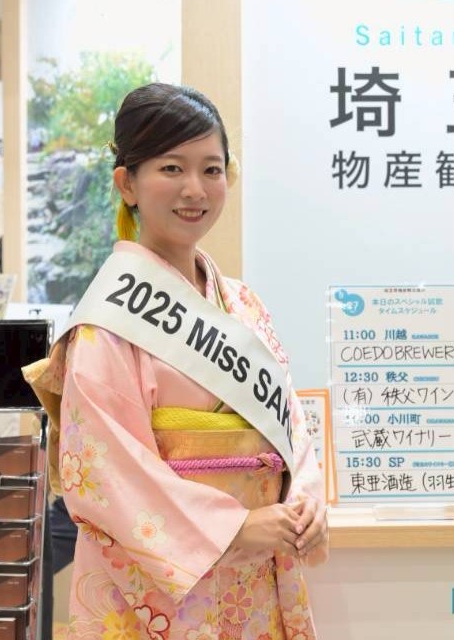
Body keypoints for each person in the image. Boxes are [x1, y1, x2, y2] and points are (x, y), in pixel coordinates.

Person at [24, 83, 328, 639]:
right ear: (127, 184)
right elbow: (105, 471)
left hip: (257, 571)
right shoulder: (106, 324)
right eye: (171, 168)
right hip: (164, 592)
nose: (195, 189)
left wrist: (304, 499)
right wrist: (233, 528)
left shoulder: (243, 304)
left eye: (211, 170)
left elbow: (290, 423)